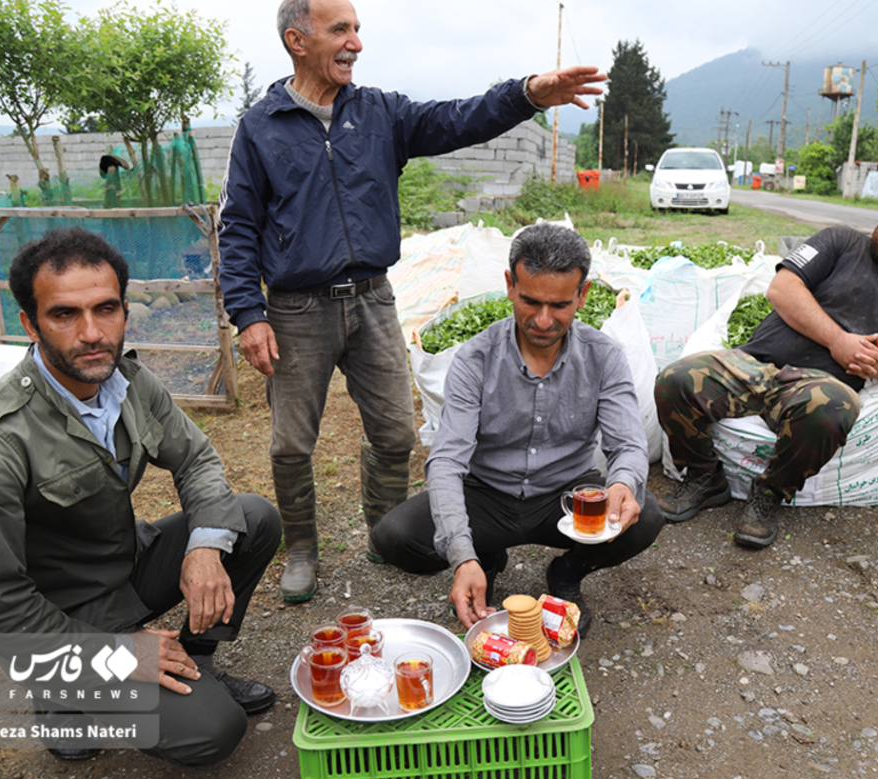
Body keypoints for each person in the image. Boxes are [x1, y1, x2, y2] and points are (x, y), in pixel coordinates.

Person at [217, 0, 607, 603]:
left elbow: (458, 119)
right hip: (296, 308)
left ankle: (384, 532)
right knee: (292, 442)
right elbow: (237, 225)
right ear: (298, 40)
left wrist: (528, 93)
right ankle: (300, 550)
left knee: (397, 432)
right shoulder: (261, 126)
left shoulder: (377, 113)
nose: (356, 43)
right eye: (340, 29)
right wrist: (248, 312)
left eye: (357, 29)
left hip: (373, 299)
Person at [0, 228, 280, 766]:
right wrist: (116, 655)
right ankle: (64, 703)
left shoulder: (128, 382)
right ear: (29, 324)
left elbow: (196, 460)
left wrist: (205, 549)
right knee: (213, 730)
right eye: (65, 314)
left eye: (106, 308)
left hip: (123, 569)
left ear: (125, 310)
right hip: (58, 618)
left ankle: (194, 663)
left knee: (251, 517)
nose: (92, 333)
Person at [370, 224, 664, 637]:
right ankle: (484, 558)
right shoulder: (475, 358)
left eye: (560, 305)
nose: (543, 320)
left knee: (645, 515)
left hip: (564, 498)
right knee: (395, 536)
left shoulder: (604, 357)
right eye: (530, 301)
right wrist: (462, 556)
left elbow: (628, 445)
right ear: (510, 285)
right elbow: (447, 461)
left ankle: (567, 573)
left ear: (583, 294)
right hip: (486, 495)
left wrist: (624, 483)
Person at [655, 188, 878, 550]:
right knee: (674, 380)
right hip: (753, 364)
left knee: (833, 409)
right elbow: (782, 288)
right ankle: (704, 477)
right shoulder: (841, 242)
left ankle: (769, 493)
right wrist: (838, 341)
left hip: (817, 386)